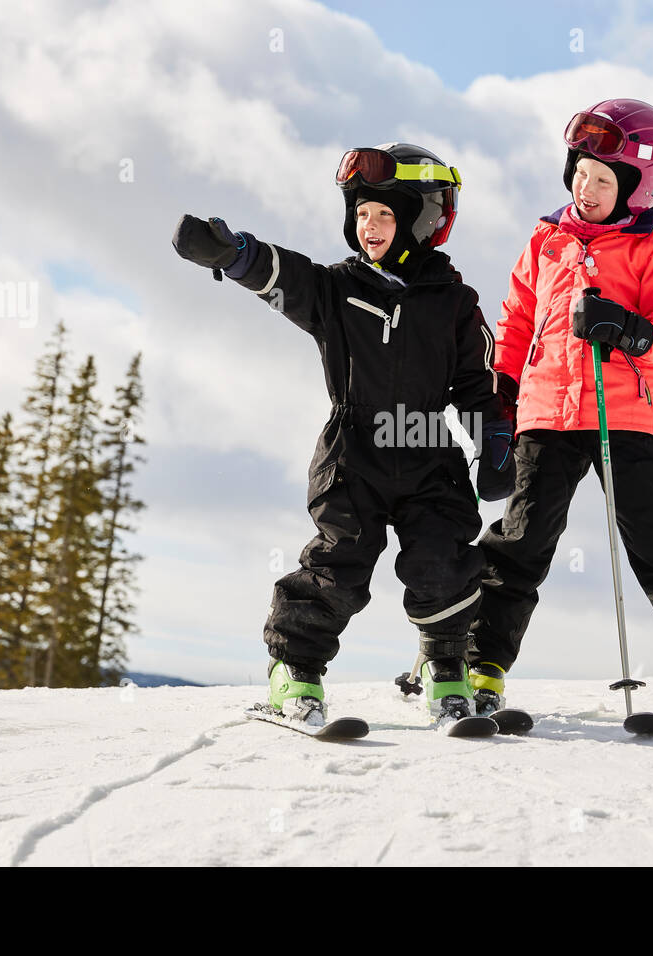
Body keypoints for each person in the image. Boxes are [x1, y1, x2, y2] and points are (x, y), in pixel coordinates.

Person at [172, 143, 515, 727]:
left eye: (385, 214)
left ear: (423, 220)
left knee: (444, 561)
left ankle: (445, 663)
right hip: (354, 453)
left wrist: (494, 441)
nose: (371, 226)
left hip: (431, 452)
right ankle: (295, 670)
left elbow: (477, 382)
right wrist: (236, 254)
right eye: (361, 214)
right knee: (340, 564)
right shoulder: (336, 290)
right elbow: (285, 275)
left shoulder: (454, 303)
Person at [464, 98, 653, 716]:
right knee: (522, 537)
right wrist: (501, 395)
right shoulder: (545, 239)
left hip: (626, 415)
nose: (585, 188)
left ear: (640, 189)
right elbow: (515, 323)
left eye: (604, 179)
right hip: (545, 414)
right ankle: (476, 659)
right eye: (580, 171)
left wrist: (628, 329)